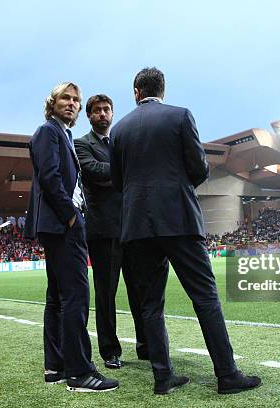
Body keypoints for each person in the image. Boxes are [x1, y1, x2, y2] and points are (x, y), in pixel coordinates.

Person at [110, 67, 261, 395]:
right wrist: (176, 186)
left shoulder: (118, 130)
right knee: (205, 296)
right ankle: (226, 374)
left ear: (136, 92)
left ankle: (162, 378)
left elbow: (118, 181)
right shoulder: (179, 117)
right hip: (178, 218)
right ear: (162, 90)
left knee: (150, 304)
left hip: (136, 225)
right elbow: (198, 168)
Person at [24, 82, 118, 392]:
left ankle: (56, 366)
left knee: (58, 298)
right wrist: (71, 216)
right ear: (52, 102)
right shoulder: (48, 132)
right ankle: (80, 373)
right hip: (62, 225)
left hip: (59, 225)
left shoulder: (61, 134)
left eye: (76, 99)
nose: (72, 103)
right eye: (66, 97)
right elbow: (51, 178)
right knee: (77, 296)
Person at [75, 94, 149, 369]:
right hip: (103, 231)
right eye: (97, 111)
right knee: (106, 294)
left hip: (131, 227)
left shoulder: (120, 140)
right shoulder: (81, 144)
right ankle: (110, 351)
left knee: (139, 291)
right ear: (90, 116)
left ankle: (146, 345)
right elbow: (95, 172)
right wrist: (127, 170)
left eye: (107, 109)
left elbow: (118, 175)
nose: (103, 114)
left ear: (112, 113)